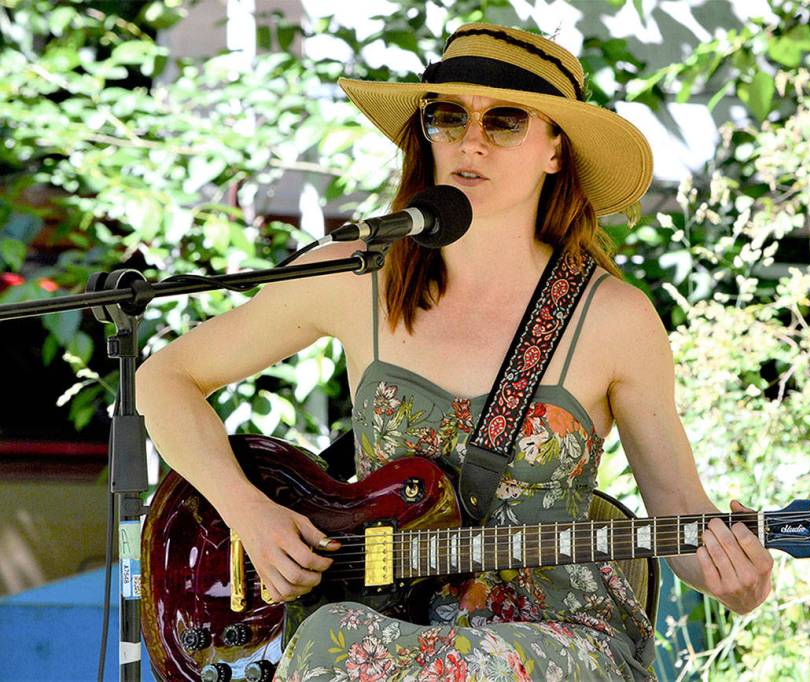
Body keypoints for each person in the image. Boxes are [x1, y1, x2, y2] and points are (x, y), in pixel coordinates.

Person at [137, 22, 774, 681]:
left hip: (558, 642)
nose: (472, 141)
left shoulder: (614, 317)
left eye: (504, 121)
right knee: (333, 637)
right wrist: (249, 513)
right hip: (378, 632)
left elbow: (681, 514)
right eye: (448, 116)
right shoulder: (357, 277)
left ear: (556, 150)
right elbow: (164, 378)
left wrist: (735, 577)